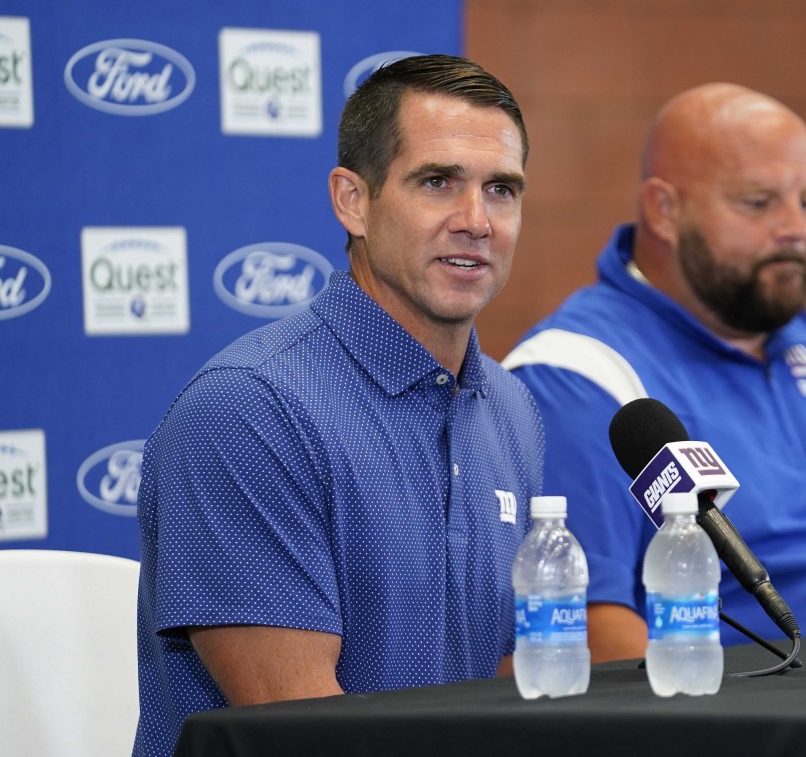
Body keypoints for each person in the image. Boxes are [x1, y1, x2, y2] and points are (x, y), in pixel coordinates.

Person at [134, 55, 542, 757]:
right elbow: (304, 733)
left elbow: (515, 691)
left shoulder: (513, 409)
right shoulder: (246, 411)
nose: (477, 221)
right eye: (438, 182)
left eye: (502, 189)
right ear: (352, 200)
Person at [503, 83, 806, 663]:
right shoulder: (578, 374)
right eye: (758, 202)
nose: (795, 230)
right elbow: (592, 632)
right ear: (665, 211)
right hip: (760, 715)